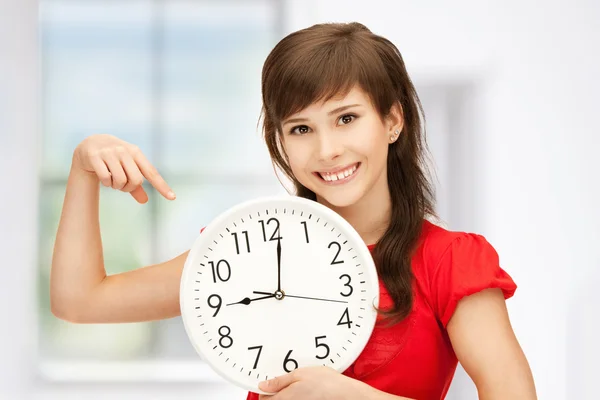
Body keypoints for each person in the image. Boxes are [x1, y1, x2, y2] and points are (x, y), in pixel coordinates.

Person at [50, 22, 537, 400]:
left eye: (346, 119)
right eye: (300, 129)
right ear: (279, 140)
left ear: (393, 120)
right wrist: (82, 168)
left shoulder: (450, 261)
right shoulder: (249, 247)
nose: (327, 150)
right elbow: (81, 301)